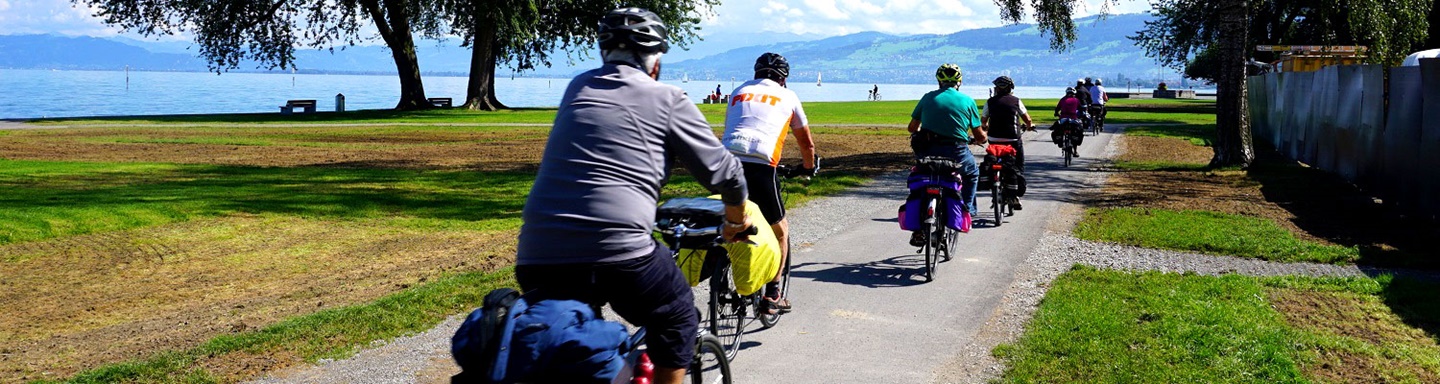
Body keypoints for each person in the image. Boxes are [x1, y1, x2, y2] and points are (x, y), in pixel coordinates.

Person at [514, 8, 751, 384]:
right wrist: (736, 221)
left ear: (604, 53)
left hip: (537, 253)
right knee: (677, 317)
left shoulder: (578, 87)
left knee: (573, 342)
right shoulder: (667, 97)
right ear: (655, 61)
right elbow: (725, 173)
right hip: (619, 252)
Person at [721, 52, 818, 314]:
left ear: (756, 73)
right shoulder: (788, 96)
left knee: (728, 220)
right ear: (783, 79)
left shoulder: (738, 91)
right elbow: (806, 143)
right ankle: (773, 295)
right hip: (761, 168)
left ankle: (720, 271)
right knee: (780, 231)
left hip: (724, 165)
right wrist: (808, 168)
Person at [907, 63, 984, 245]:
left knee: (922, 182)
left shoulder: (927, 98)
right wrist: (981, 138)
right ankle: (967, 210)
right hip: (957, 152)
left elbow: (912, 128)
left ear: (939, 80)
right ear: (960, 81)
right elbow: (979, 136)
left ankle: (918, 228)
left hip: (928, 152)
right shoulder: (967, 101)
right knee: (972, 173)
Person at [979, 75, 1033, 210]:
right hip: (1013, 139)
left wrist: (985, 128)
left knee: (993, 159)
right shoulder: (1016, 101)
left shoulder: (990, 102)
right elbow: (1027, 119)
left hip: (994, 139)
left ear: (996, 89)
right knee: (1018, 165)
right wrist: (1029, 126)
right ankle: (1015, 196)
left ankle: (994, 185)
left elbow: (983, 121)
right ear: (1011, 88)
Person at [1051, 87, 1085, 156]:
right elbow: (1081, 110)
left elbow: (1057, 109)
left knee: (1057, 128)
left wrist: (1056, 113)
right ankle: (1075, 151)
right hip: (1073, 119)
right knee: (1076, 132)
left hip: (1063, 119)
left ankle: (1060, 141)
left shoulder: (1062, 99)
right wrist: (1081, 115)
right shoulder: (1076, 100)